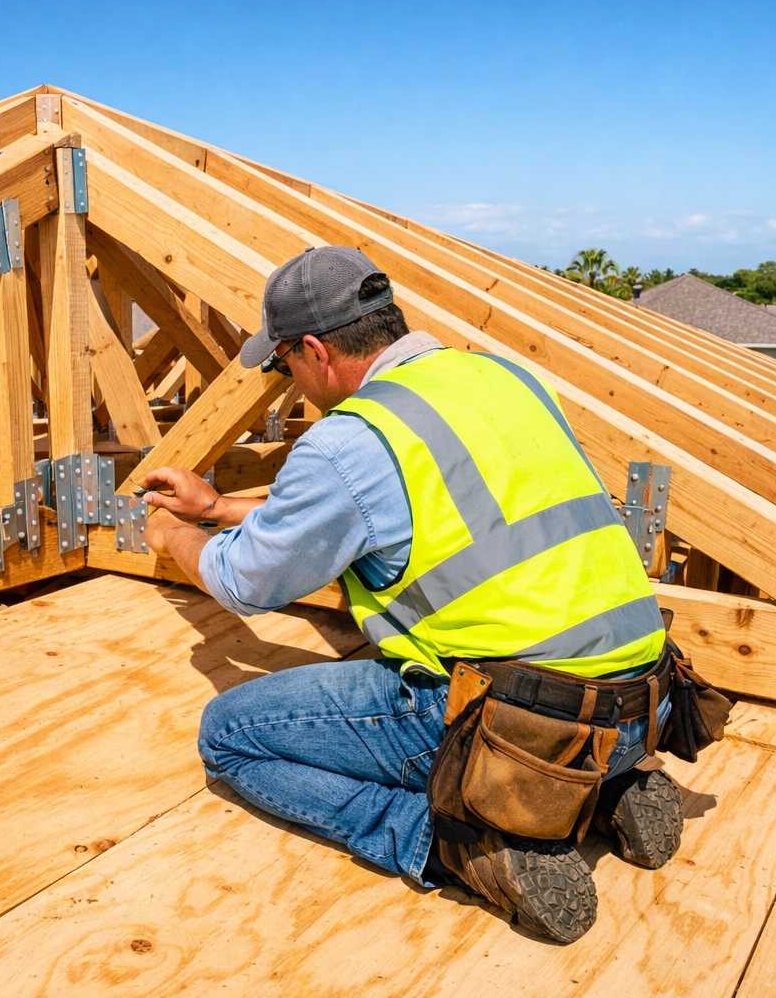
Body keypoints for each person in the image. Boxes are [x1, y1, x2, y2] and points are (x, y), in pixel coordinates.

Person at [140, 246, 684, 943]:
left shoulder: (350, 439)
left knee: (231, 735)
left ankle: (449, 840)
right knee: (547, 675)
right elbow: (403, 505)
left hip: (514, 723)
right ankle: (604, 788)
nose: (290, 383)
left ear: (314, 350)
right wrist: (217, 508)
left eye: (283, 366)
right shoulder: (499, 378)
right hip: (645, 701)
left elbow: (246, 581)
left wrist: (173, 537)